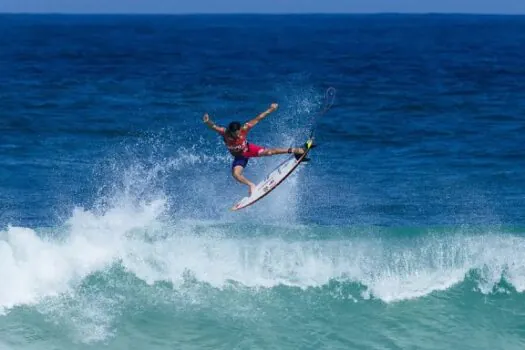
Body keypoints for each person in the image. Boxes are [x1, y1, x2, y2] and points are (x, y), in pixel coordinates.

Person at [203, 103, 307, 196]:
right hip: (240, 157)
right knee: (235, 174)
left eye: (239, 132)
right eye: (236, 134)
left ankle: (295, 150)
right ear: (231, 132)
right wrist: (208, 121)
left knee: (270, 152)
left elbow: (258, 118)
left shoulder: (244, 128)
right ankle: (251, 185)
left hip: (249, 149)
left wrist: (271, 109)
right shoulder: (225, 133)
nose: (239, 135)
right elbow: (213, 126)